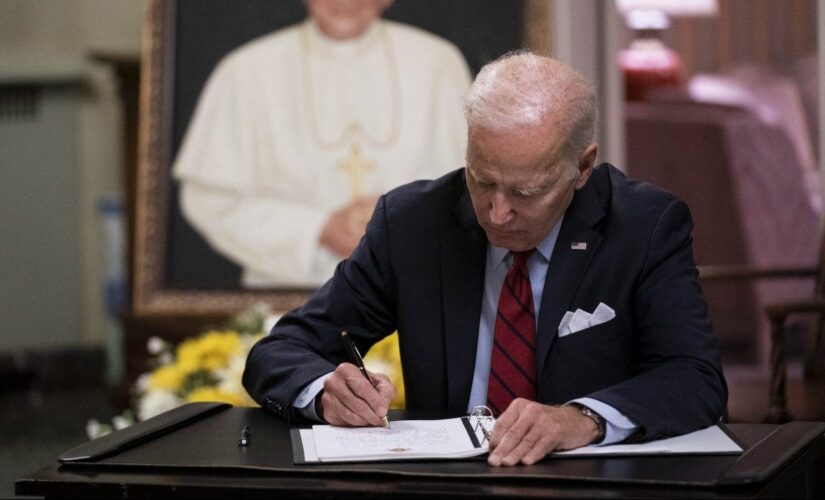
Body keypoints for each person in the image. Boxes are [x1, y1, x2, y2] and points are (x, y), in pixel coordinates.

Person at [243, 51, 727, 466]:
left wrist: (580, 419)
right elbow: (279, 353)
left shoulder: (643, 226)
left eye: (525, 191)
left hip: (588, 484)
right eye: (481, 179)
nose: (497, 213)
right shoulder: (413, 223)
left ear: (582, 167)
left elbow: (694, 378)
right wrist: (326, 388)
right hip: (447, 487)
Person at [173, 0, 472, 287]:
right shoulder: (244, 70)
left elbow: (473, 185)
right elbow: (210, 200)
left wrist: (400, 223)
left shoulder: (439, 63)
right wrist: (317, 229)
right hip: (285, 300)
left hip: (414, 292)